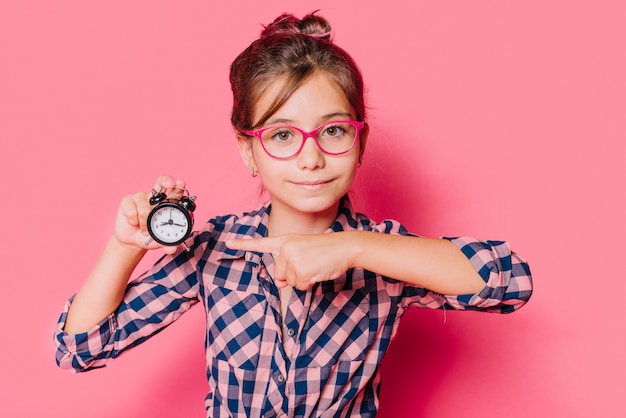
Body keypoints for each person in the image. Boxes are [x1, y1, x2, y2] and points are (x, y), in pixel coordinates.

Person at [54, 12, 533, 417]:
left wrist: (352, 248)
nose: (311, 159)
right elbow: (80, 349)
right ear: (248, 150)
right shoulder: (215, 251)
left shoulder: (386, 257)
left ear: (360, 142)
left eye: (333, 131)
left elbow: (510, 279)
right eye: (282, 136)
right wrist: (124, 246)